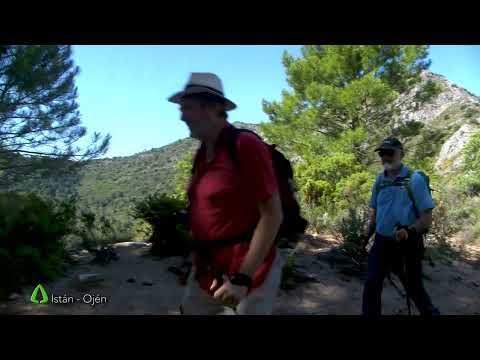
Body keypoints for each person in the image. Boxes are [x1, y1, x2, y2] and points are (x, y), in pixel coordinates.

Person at [168, 73, 284, 315]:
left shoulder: (245, 146)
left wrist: (243, 278)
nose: (181, 116)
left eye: (187, 108)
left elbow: (272, 216)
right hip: (207, 270)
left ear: (211, 107)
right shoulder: (203, 153)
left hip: (249, 272)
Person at [361, 137, 440, 316]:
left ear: (401, 154)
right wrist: (365, 238)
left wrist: (409, 231)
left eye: (390, 152)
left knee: (413, 287)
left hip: (409, 243)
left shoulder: (415, 180)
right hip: (381, 242)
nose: (385, 157)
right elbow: (375, 215)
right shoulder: (379, 181)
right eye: (382, 153)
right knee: (372, 283)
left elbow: (426, 218)